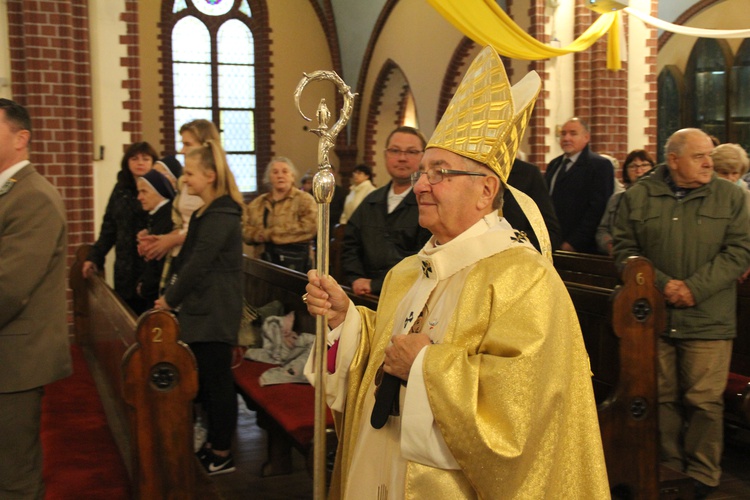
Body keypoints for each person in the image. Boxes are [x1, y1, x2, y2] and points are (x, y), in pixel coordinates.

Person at [303, 47, 607, 499]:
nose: (421, 184)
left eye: (439, 172)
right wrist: (347, 322)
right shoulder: (410, 273)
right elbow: (381, 360)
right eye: (423, 170)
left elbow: (526, 413)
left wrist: (426, 366)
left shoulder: (524, 279)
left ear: (486, 191)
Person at [612, 128, 750, 499]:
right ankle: (670, 467)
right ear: (673, 160)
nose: (709, 162)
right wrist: (663, 283)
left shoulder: (730, 197)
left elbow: (739, 251)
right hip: (654, 316)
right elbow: (623, 248)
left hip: (708, 317)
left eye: (711, 154)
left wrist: (694, 288)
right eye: (700, 156)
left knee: (704, 400)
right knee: (663, 397)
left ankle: (704, 475)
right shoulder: (640, 195)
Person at [155, 140, 244, 476]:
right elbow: (190, 261)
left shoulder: (222, 212)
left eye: (190, 173)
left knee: (218, 382)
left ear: (209, 175)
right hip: (203, 307)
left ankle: (222, 453)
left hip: (215, 309)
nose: (185, 179)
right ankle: (213, 444)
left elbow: (198, 264)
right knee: (207, 381)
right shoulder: (209, 211)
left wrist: (168, 300)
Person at [0, 98, 72, 498]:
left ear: (21, 138)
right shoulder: (9, 194)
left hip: (13, 362)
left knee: (14, 479)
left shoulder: (32, 197)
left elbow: (9, 287)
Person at [341, 126, 432, 295]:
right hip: (365, 295)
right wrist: (357, 279)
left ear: (424, 157)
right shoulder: (371, 201)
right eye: (395, 151)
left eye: (411, 152)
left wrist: (377, 285)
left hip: (409, 296)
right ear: (385, 155)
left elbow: (427, 257)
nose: (402, 158)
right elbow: (350, 246)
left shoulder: (430, 202)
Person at [139, 120, 216, 289]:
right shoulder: (183, 181)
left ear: (205, 146)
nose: (182, 150)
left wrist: (171, 240)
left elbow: (207, 230)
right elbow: (181, 222)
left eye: (187, 144)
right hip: (181, 255)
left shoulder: (215, 183)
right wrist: (159, 239)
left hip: (202, 258)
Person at [83, 141, 158, 314]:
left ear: (153, 163)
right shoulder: (120, 189)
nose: (140, 163)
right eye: (135, 158)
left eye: (145, 159)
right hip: (125, 266)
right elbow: (109, 227)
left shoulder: (160, 189)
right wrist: (95, 256)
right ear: (127, 162)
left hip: (149, 266)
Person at [545, 118, 614, 253]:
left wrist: (573, 243)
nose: (566, 138)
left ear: (586, 137)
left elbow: (597, 210)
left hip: (581, 247)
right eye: (563, 134)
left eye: (573, 133)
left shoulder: (599, 166)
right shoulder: (554, 164)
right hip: (552, 241)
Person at [243, 156, 317, 272]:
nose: (280, 175)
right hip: (263, 264)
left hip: (295, 262)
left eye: (285, 171)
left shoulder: (305, 200)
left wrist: (269, 235)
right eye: (275, 172)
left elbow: (309, 228)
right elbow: (244, 230)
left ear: (292, 176)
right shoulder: (257, 203)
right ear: (269, 177)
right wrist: (257, 235)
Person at [595, 149, 655, 255]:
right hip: (619, 255)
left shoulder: (657, 198)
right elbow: (602, 230)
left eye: (644, 165)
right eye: (633, 166)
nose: (639, 170)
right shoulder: (617, 199)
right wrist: (609, 245)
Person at [135, 169, 176, 304]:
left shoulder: (167, 219)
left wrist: (145, 288)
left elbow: (160, 264)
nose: (139, 197)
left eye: (144, 191)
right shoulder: (157, 216)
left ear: (160, 192)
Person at [504, 158, 562, 251]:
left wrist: (505, 240)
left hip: (515, 256)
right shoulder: (474, 171)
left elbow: (548, 234)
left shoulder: (527, 174)